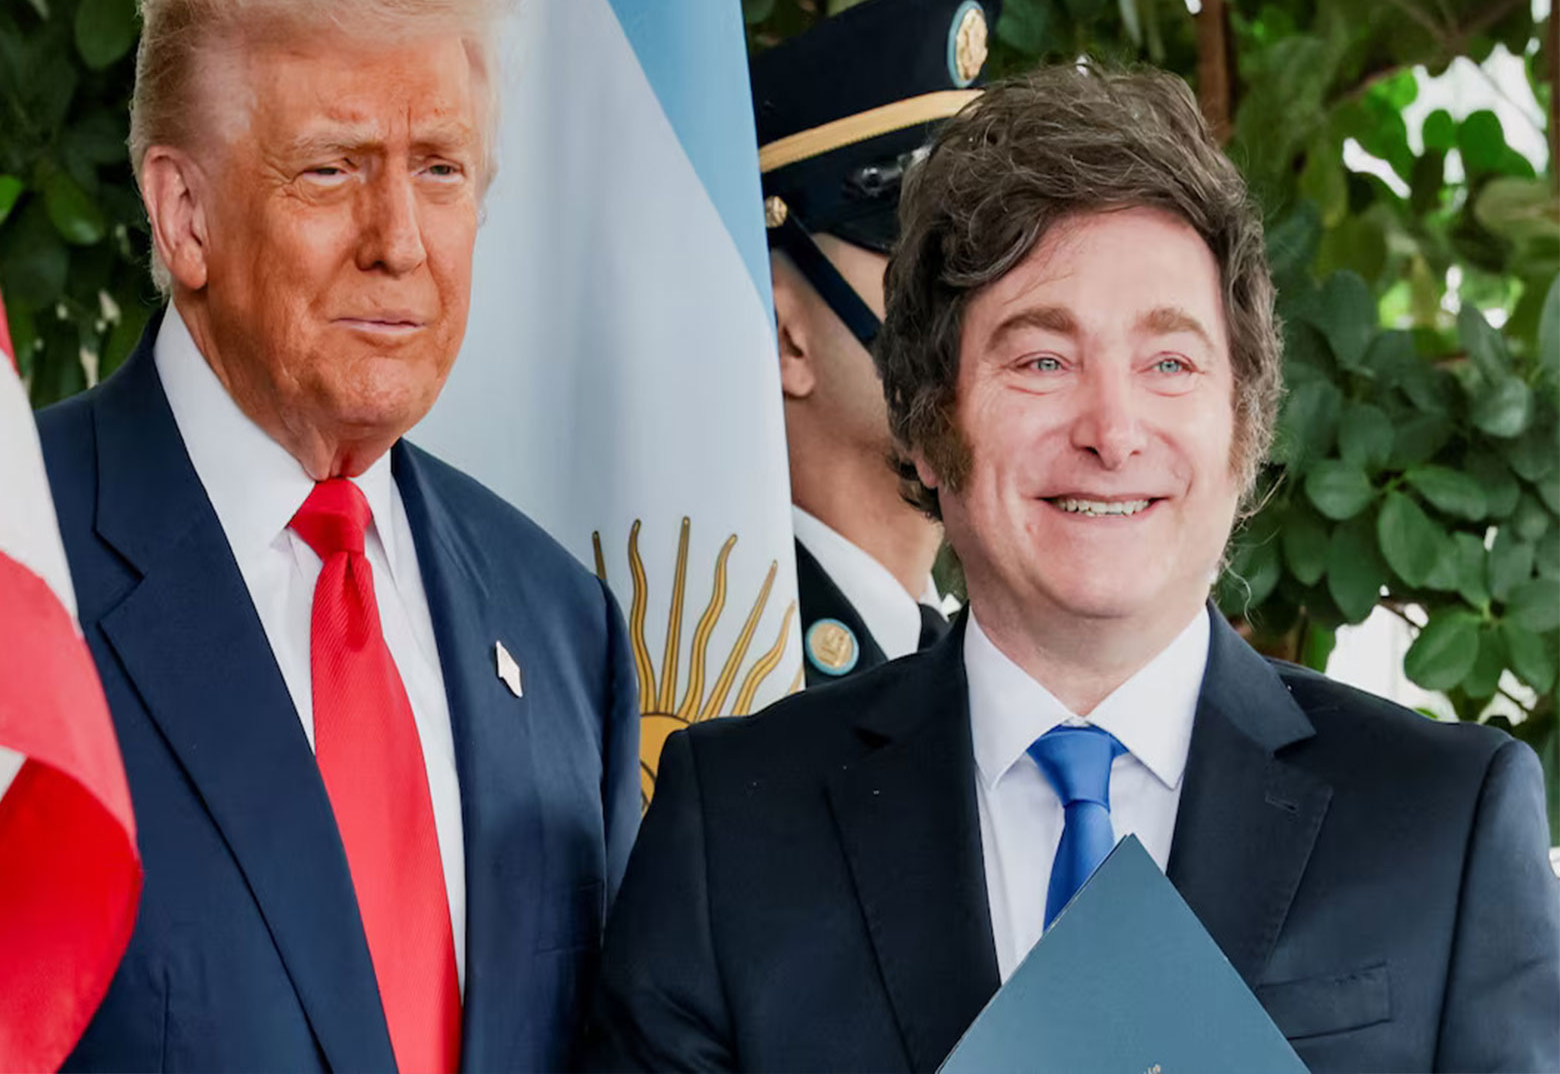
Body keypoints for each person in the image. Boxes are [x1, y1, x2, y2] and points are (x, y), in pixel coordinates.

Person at [583, 65, 1560, 1072]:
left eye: (1169, 363)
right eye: (1041, 361)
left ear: (1242, 429)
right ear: (927, 425)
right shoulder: (733, 824)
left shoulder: (1444, 820)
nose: (1111, 429)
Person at [41, 0, 639, 1073]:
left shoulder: (559, 621)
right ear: (185, 214)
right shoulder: (2, 567)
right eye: (332, 168)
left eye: (440, 171)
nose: (400, 242)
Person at [750, 0, 999, 684]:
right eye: (926, 266)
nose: (983, 301)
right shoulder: (724, 671)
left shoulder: (986, 670)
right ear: (785, 339)